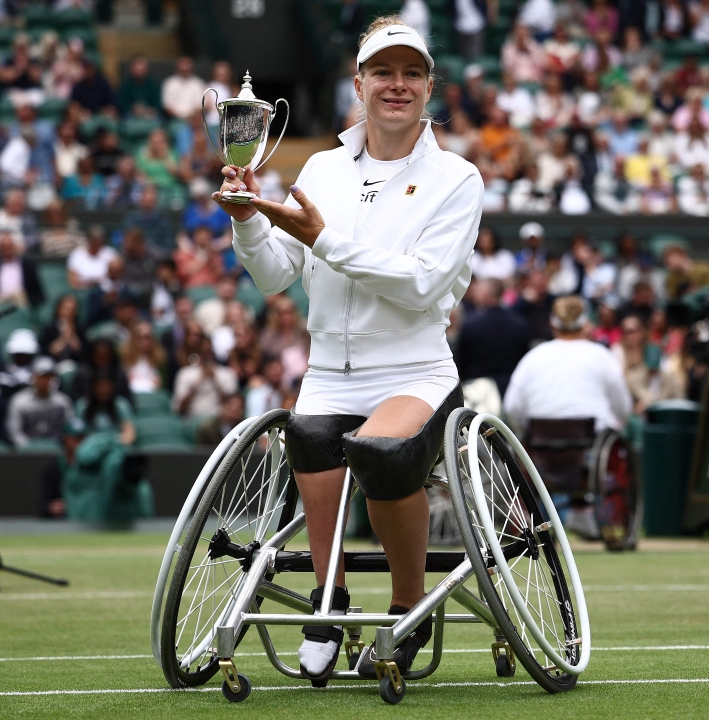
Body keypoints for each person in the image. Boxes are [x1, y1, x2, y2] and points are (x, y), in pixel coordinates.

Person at [214, 18, 481, 682]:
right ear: (358, 83)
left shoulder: (457, 177)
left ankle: (407, 606)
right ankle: (326, 596)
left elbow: (421, 286)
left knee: (381, 450)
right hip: (328, 371)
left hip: (415, 372)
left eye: (411, 73)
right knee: (306, 430)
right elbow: (278, 274)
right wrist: (248, 222)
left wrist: (324, 239)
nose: (398, 85)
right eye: (383, 73)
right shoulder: (322, 167)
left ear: (429, 85)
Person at [503, 296, 632, 434]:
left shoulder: (532, 358)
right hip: (592, 441)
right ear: (585, 324)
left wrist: (526, 430)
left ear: (552, 324)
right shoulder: (602, 356)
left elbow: (511, 408)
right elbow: (623, 408)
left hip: (541, 443)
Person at [454, 279, 530, 397]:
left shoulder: (470, 324)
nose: (474, 293)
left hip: (479, 391)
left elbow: (462, 361)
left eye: (478, 290)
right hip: (511, 388)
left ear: (487, 293)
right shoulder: (519, 323)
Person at [6, 356, 73, 447]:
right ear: (34, 376)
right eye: (42, 377)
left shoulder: (62, 402)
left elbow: (69, 427)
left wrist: (60, 445)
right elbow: (14, 431)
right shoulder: (19, 401)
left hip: (56, 450)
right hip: (27, 452)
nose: (45, 381)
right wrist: (28, 447)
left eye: (49, 377)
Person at [0, 231, 45, 308]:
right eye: (4, 247)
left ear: (15, 246)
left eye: (9, 246)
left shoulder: (28, 266)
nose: (7, 249)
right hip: (0, 298)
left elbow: (36, 289)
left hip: (20, 297)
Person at [67, 224, 119, 289]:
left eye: (99, 240)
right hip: (83, 290)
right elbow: (72, 281)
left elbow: (116, 275)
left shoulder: (111, 253)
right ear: (89, 239)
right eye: (94, 240)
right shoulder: (77, 254)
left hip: (105, 290)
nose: (96, 243)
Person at [41, 294, 87, 365]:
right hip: (54, 364)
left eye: (73, 309)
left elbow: (81, 351)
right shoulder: (49, 328)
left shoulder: (80, 329)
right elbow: (49, 351)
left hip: (76, 365)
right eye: (67, 309)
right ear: (59, 309)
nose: (70, 313)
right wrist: (64, 337)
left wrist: (71, 334)